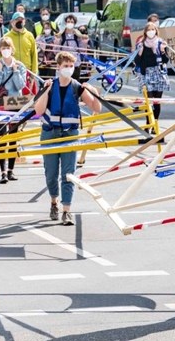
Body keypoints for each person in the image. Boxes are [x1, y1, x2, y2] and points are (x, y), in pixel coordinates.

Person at [34, 52, 102, 225]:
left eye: (71, 66)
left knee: (68, 174)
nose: (68, 69)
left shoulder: (76, 87)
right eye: (65, 66)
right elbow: (39, 111)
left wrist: (93, 91)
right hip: (50, 133)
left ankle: (66, 210)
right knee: (51, 174)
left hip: (70, 134)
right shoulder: (50, 85)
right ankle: (53, 202)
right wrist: (46, 90)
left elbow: (97, 107)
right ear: (58, 67)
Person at [0, 38, 32, 184]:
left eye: (7, 47)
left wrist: (15, 71)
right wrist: (0, 71)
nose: (5, 50)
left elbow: (21, 85)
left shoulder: (19, 65)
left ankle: (11, 170)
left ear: (12, 49)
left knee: (12, 137)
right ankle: (2, 172)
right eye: (2, 47)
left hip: (15, 103)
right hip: (0, 104)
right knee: (2, 137)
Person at [136, 22, 170, 124]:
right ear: (145, 32)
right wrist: (140, 53)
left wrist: (162, 51)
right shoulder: (141, 44)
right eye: (149, 30)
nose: (151, 32)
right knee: (149, 101)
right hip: (146, 74)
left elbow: (166, 60)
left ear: (156, 30)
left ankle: (155, 123)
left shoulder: (161, 43)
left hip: (159, 74)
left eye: (153, 29)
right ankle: (148, 124)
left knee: (157, 101)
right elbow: (137, 62)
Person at [4, 12, 38, 76]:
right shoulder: (6, 37)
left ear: (24, 22)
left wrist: (33, 73)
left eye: (21, 20)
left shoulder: (29, 35)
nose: (19, 22)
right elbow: (1, 55)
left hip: (27, 72)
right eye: (17, 20)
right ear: (12, 22)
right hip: (10, 72)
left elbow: (34, 54)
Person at [56, 14, 88, 80]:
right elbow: (56, 50)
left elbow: (82, 50)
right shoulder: (61, 35)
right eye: (68, 21)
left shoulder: (78, 35)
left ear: (74, 23)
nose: (70, 23)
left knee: (75, 83)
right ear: (65, 23)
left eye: (72, 22)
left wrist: (84, 41)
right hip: (64, 64)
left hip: (76, 64)